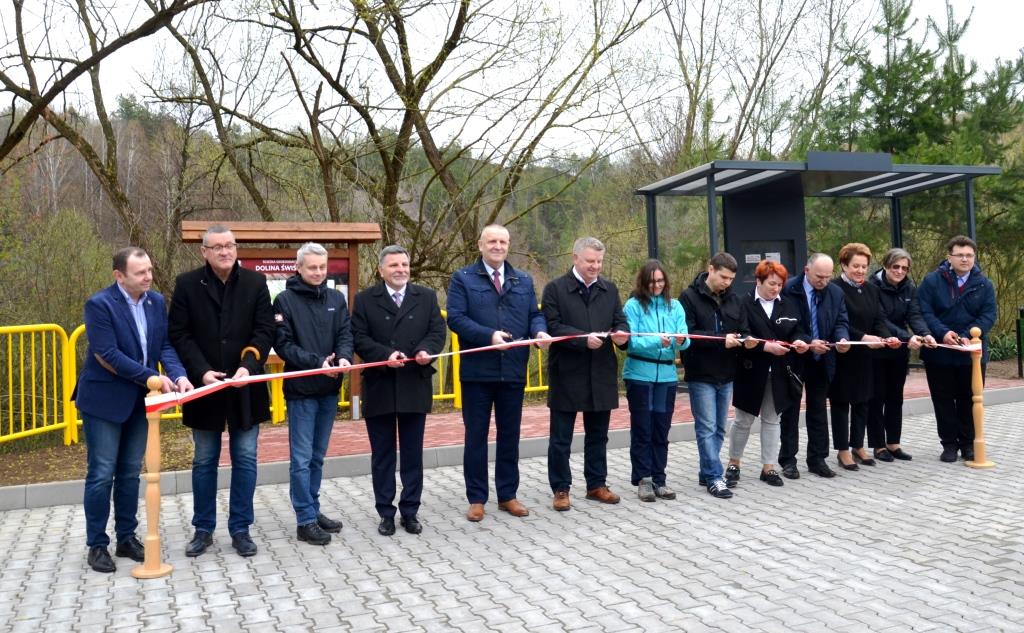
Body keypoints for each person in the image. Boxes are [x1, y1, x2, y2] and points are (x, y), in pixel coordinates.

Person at [75, 248, 194, 573]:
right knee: (101, 474)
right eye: (140, 272)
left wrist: (179, 375)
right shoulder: (99, 305)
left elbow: (165, 346)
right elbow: (107, 353)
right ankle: (97, 544)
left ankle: (126, 537)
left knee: (129, 472)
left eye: (150, 270)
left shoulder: (156, 302)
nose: (148, 276)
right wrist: (152, 377)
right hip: (103, 402)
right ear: (119, 276)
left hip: (141, 402)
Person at [168, 224, 275, 558]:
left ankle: (241, 529)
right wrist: (200, 372)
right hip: (205, 387)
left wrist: (249, 364)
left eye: (229, 245)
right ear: (204, 252)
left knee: (245, 458)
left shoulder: (256, 283)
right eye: (217, 247)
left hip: (246, 385)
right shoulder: (187, 284)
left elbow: (264, 330)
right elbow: (179, 334)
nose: (225, 251)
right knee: (203, 460)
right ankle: (203, 529)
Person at [447, 225, 550, 522]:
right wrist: (488, 336)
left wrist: (540, 331)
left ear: (508, 245)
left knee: (510, 436)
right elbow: (455, 318)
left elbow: (534, 315)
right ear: (480, 245)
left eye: (503, 241)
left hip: (513, 371)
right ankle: (477, 498)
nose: (497, 246)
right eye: (492, 241)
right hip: (478, 372)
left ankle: (508, 495)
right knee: (476, 437)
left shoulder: (523, 279)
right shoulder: (462, 278)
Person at [352, 245, 447, 536]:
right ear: (381, 270)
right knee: (382, 455)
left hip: (413, 385)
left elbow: (437, 332)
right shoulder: (366, 300)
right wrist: (384, 355)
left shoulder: (426, 297)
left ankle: (410, 511)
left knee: (412, 453)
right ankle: (386, 512)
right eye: (394, 265)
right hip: (380, 384)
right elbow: (358, 337)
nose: (401, 270)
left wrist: (425, 350)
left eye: (404, 264)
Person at [272, 242, 353, 546]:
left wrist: (343, 358)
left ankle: (313, 508)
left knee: (318, 457)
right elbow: (284, 345)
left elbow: (346, 333)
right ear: (299, 268)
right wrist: (317, 364)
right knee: (301, 459)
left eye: (322, 267)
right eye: (312, 267)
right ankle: (304, 519)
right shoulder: (284, 301)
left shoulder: (336, 298)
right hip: (302, 392)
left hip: (329, 389)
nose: (318, 272)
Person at [542, 236, 630, 511]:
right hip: (567, 371)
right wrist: (582, 339)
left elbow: (620, 320)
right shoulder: (555, 289)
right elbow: (553, 326)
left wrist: (621, 336)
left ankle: (596, 484)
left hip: (601, 372)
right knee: (561, 437)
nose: (595, 266)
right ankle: (560, 488)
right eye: (590, 261)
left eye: (600, 261)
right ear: (575, 258)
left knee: (598, 435)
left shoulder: (610, 289)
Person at [727, 260, 808, 488]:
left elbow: (798, 329)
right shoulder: (742, 303)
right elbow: (741, 336)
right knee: (743, 420)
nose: (776, 289)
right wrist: (765, 347)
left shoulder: (788, 304)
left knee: (772, 420)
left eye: (780, 285)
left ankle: (769, 467)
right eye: (771, 284)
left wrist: (801, 341)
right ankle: (734, 463)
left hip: (780, 372)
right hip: (750, 371)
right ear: (759, 281)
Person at [917, 235, 997, 463]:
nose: (965, 259)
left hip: (971, 353)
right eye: (960, 254)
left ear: (974, 257)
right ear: (949, 257)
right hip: (940, 351)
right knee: (942, 400)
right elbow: (925, 311)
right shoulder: (932, 281)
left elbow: (989, 315)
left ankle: (968, 444)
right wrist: (943, 332)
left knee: (969, 399)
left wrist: (966, 335)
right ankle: (949, 445)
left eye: (969, 255)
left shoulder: (985, 284)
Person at [680, 252, 747, 499]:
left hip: (727, 373)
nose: (726, 283)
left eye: (731, 279)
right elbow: (689, 334)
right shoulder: (688, 297)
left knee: (719, 428)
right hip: (701, 373)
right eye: (723, 277)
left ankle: (706, 470)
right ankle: (714, 476)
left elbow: (743, 328)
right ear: (710, 269)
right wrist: (722, 340)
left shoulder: (735, 299)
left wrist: (745, 340)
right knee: (706, 427)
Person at [778, 253, 850, 479]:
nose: (824, 281)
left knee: (818, 410)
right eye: (820, 276)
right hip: (795, 359)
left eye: (828, 277)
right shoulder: (788, 289)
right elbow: (786, 324)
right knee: (790, 411)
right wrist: (809, 343)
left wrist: (842, 339)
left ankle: (818, 459)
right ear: (806, 270)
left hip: (823, 359)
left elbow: (841, 321)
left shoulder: (836, 292)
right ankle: (788, 460)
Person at [622, 260, 689, 502]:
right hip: (639, 374)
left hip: (667, 376)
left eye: (661, 281)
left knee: (661, 428)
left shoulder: (676, 306)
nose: (657, 285)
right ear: (643, 282)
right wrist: (655, 342)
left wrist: (681, 340)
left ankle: (660, 478)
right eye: (652, 282)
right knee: (643, 428)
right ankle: (644, 479)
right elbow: (631, 341)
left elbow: (685, 337)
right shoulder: (632, 306)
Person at [828, 243, 899, 472]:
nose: (860, 271)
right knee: (841, 403)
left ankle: (858, 445)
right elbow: (837, 323)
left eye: (864, 266)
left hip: (866, 357)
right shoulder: (834, 289)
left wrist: (886, 337)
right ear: (844, 265)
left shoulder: (871, 289)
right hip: (843, 355)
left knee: (862, 401)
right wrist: (863, 337)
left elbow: (879, 318)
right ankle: (843, 450)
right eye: (855, 266)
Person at [868, 248, 936, 462]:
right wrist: (907, 337)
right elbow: (880, 319)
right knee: (876, 398)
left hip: (899, 351)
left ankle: (893, 443)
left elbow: (914, 315)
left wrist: (925, 334)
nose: (899, 271)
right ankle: (878, 446)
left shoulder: (909, 287)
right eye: (895, 267)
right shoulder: (872, 286)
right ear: (886, 265)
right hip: (878, 348)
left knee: (895, 398)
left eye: (904, 268)